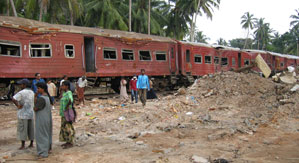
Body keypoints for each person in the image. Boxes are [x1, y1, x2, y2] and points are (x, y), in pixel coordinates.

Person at [12, 79, 35, 150]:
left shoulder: (21, 92)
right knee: (31, 129)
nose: (20, 85)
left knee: (22, 129)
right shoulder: (32, 92)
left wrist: (18, 105)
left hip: (23, 114)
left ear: (24, 85)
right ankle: (31, 143)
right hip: (31, 114)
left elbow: (13, 98)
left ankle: (23, 145)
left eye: (21, 84)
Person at [34, 82, 53, 158]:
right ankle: (47, 149)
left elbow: (35, 108)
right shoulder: (47, 97)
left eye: (38, 88)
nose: (37, 90)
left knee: (41, 135)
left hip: (41, 119)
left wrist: (35, 97)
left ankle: (42, 152)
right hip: (47, 118)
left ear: (43, 89)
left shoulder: (41, 99)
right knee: (47, 134)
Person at [59, 80, 75, 149]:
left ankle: (70, 142)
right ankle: (67, 141)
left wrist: (66, 107)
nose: (62, 87)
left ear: (67, 86)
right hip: (63, 114)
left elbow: (70, 100)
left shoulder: (69, 92)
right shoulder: (64, 93)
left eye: (63, 85)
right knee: (64, 127)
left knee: (68, 127)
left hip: (67, 113)